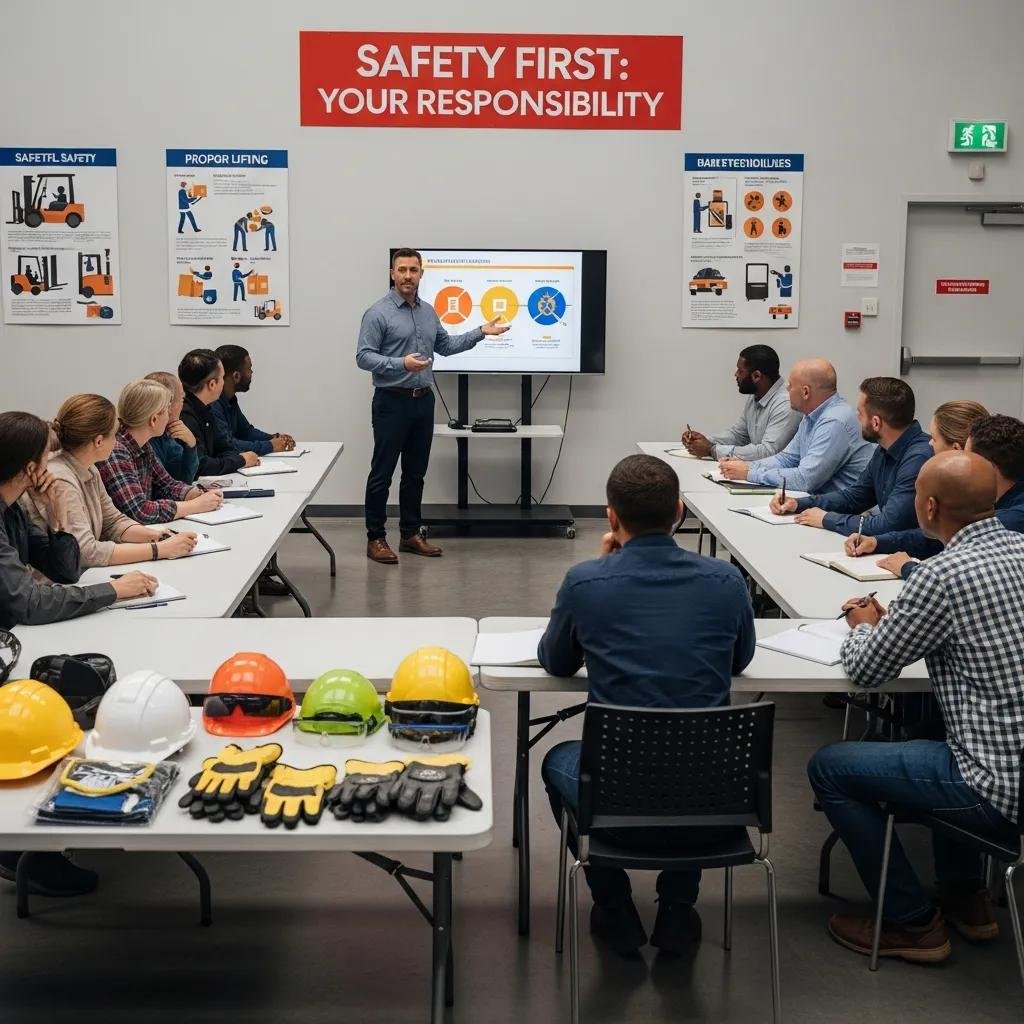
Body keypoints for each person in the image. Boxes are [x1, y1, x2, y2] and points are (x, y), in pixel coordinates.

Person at [808, 451, 1024, 964]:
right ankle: (965, 897)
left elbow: (866, 669)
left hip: (994, 788)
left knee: (830, 767)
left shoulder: (939, 576)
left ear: (927, 507)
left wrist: (865, 623)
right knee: (935, 731)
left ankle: (913, 923)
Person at [539, 455, 756, 957]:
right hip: (717, 800)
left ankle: (613, 906)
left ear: (611, 517)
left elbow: (555, 660)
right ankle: (678, 910)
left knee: (556, 761)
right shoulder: (725, 582)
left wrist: (607, 565)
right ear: (680, 511)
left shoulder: (586, 582)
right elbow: (740, 657)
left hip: (616, 794)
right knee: (697, 751)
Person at [0, 411, 156, 900]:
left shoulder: (14, 508)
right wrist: (114, 591)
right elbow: (27, 601)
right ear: (29, 466)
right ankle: (20, 847)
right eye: (46, 457)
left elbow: (62, 573)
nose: (53, 463)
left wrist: (55, 511)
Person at [356, 248, 508, 563]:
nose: (408, 276)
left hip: (423, 402)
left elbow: (446, 346)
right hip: (391, 402)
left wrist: (481, 332)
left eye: (414, 270)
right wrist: (401, 364)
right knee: (382, 473)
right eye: (402, 270)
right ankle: (376, 538)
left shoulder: (427, 311)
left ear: (421, 274)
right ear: (392, 273)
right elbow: (364, 356)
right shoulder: (377, 313)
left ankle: (410, 534)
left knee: (415, 474)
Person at [21, 395, 198, 568]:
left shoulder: (88, 467)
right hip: (55, 584)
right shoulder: (60, 479)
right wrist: (158, 550)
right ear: (98, 441)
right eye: (114, 434)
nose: (117, 440)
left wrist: (157, 536)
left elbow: (113, 521)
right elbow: (85, 552)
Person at [849, 411, 1023, 579]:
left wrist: (909, 568)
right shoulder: (996, 495)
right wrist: (878, 542)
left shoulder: (1014, 517)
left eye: (966, 454)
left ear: (989, 467)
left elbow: (960, 571)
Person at [769, 377, 932, 535]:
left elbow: (888, 524)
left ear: (876, 423)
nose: (856, 417)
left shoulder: (918, 458)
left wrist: (827, 519)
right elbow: (855, 497)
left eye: (860, 413)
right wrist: (799, 504)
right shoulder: (884, 448)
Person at [718, 359, 873, 492]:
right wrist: (745, 465)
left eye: (791, 386)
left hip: (847, 515)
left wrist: (749, 473)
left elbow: (805, 480)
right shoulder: (811, 415)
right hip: (821, 504)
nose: (786, 389)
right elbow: (787, 459)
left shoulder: (834, 421)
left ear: (805, 392)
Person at [99, 379, 222, 525]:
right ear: (154, 419)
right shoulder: (117, 451)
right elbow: (139, 511)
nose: (169, 414)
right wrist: (194, 505)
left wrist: (195, 493)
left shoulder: (142, 445)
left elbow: (167, 484)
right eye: (166, 410)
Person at [682, 345, 802, 460]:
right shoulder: (757, 394)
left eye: (740, 371)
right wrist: (705, 441)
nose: (736, 375)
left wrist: (711, 450)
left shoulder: (786, 403)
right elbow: (739, 436)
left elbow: (768, 452)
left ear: (756, 376)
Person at [177, 349, 259, 477]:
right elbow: (201, 465)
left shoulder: (206, 408)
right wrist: (241, 460)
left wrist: (233, 460)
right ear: (212, 384)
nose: (224, 382)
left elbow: (225, 447)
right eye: (222, 378)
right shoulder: (184, 416)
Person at [211, 345, 295, 455]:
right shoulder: (212, 404)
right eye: (249, 369)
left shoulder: (230, 399)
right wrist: (271, 445)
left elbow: (245, 432)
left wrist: (274, 438)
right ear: (236, 376)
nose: (251, 373)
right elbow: (228, 445)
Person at [145, 371, 200, 484]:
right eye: (181, 399)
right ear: (167, 404)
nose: (182, 405)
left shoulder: (166, 433)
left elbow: (181, 480)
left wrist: (191, 446)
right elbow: (167, 486)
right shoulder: (145, 439)